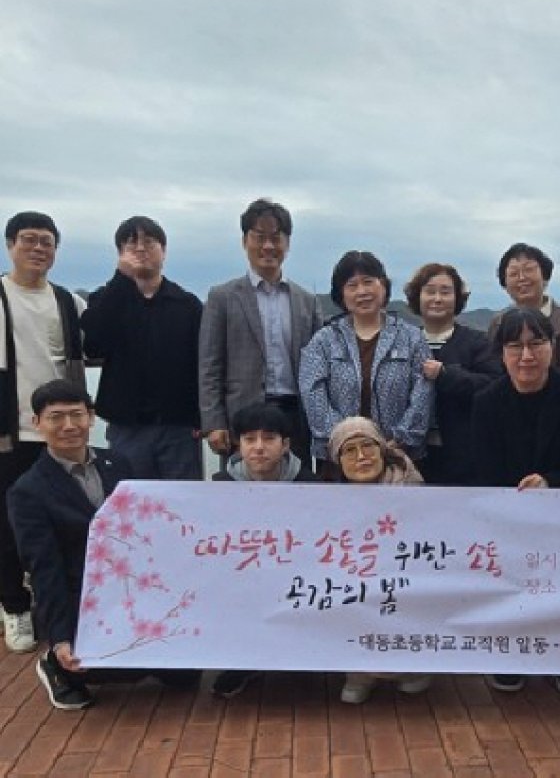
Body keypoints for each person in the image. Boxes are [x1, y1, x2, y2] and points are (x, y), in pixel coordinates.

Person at [472, 307, 560, 697]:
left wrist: (553, 483)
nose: (526, 356)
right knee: (512, 589)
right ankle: (512, 656)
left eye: (537, 344)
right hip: (508, 517)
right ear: (502, 353)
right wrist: (517, 501)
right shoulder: (486, 401)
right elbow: (483, 468)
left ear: (552, 347)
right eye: (515, 346)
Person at [7, 380, 131, 709]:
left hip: (128, 588)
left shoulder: (120, 464)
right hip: (78, 594)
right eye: (56, 417)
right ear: (36, 423)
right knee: (86, 662)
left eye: (77, 414)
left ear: (91, 418)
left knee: (182, 674)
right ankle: (54, 662)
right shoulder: (27, 491)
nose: (69, 426)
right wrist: (59, 637)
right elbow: (44, 568)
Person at [0, 211, 86, 654]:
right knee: (7, 523)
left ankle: (59, 605)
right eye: (29, 240)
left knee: (65, 521)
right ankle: (14, 604)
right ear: (10, 245)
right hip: (9, 431)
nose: (38, 248)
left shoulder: (67, 302)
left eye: (47, 242)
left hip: (61, 430)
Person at [199, 198, 323, 468]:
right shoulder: (222, 297)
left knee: (299, 485)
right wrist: (214, 422)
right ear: (245, 241)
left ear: (287, 244)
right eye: (259, 237)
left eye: (276, 238)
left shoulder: (307, 301)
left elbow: (318, 368)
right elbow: (210, 365)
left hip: (295, 416)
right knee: (240, 488)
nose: (268, 246)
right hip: (243, 417)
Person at [81, 216, 203, 479]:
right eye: (131, 243)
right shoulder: (106, 299)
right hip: (126, 425)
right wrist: (121, 279)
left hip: (179, 426)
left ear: (164, 251)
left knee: (182, 497)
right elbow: (93, 346)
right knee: (131, 496)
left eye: (149, 242)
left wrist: (201, 418)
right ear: (119, 253)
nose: (140, 248)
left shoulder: (187, 304)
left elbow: (202, 364)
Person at [210, 401, 317, 698]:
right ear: (238, 444)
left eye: (269, 439)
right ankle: (241, 664)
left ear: (286, 445)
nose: (259, 447)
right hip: (239, 577)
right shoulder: (218, 486)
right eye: (249, 439)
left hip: (296, 574)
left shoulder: (310, 485)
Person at [327, 416, 429, 703]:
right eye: (349, 450)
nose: (361, 456)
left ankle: (413, 669)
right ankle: (359, 673)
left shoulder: (416, 490)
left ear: (382, 449)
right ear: (338, 461)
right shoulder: (327, 501)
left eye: (368, 446)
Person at [299, 251, 432, 469]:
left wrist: (396, 442)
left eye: (368, 282)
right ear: (341, 294)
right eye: (352, 285)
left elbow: (423, 393)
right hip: (339, 459)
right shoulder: (324, 340)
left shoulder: (412, 338)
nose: (362, 291)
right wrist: (347, 440)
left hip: (398, 458)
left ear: (383, 286)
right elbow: (312, 393)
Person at [403, 263, 502, 484]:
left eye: (446, 292)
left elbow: (494, 385)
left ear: (457, 298)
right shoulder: (404, 342)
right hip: (410, 455)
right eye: (430, 291)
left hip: (464, 457)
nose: (437, 299)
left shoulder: (477, 342)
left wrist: (446, 375)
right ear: (417, 297)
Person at [490, 243, 560, 380]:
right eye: (514, 274)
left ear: (545, 277)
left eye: (529, 270)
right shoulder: (498, 323)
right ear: (505, 284)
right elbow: (492, 372)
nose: (522, 278)